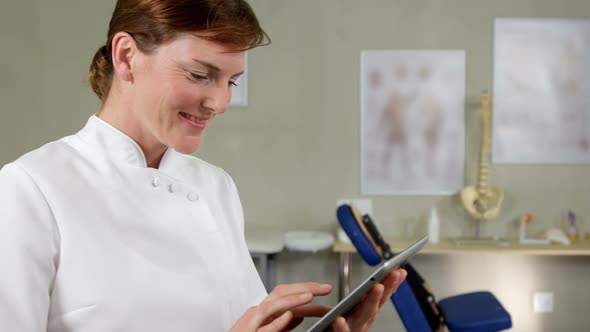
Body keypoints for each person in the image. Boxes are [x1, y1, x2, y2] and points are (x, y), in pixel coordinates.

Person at [0, 1, 407, 331]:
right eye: (200, 75)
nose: (221, 103)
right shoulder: (31, 190)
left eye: (230, 82)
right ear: (126, 57)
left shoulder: (216, 186)